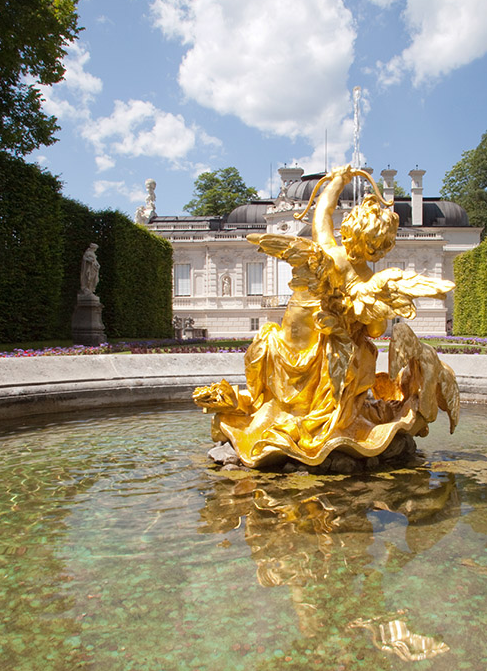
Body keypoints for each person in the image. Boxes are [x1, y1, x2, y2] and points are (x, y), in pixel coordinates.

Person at [194, 166, 457, 467]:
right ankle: (324, 422)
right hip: (318, 342)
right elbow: (375, 329)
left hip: (294, 337)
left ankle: (263, 407)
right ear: (380, 247)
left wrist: (337, 182)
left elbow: (322, 213)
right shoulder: (367, 279)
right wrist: (375, 310)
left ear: (350, 231)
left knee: (273, 346)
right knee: (357, 351)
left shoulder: (329, 251)